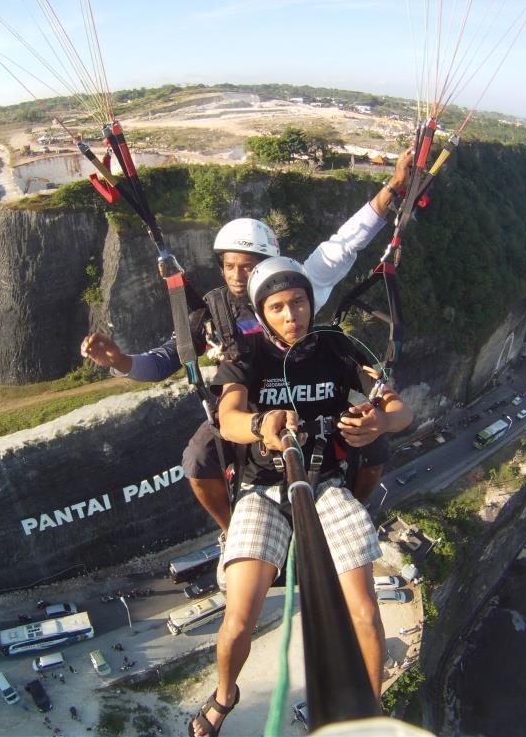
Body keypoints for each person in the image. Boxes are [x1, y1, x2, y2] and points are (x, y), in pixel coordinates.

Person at [81, 150, 412, 536]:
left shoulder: (295, 286)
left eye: (249, 266)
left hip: (311, 393)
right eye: (229, 266)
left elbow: (343, 244)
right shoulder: (212, 313)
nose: (238, 276)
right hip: (246, 408)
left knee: (374, 445)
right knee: (198, 459)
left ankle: (353, 512)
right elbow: (167, 360)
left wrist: (393, 188)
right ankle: (229, 528)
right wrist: (120, 360)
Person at [188, 257, 412, 737]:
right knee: (237, 622)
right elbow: (226, 414)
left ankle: (367, 713)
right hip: (263, 490)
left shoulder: (338, 347)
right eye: (278, 307)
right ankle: (226, 695)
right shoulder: (244, 354)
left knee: (366, 613)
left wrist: (379, 421)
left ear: (311, 302)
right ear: (262, 313)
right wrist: (257, 425)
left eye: (299, 303)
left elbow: (397, 406)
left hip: (324, 484)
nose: (292, 316)